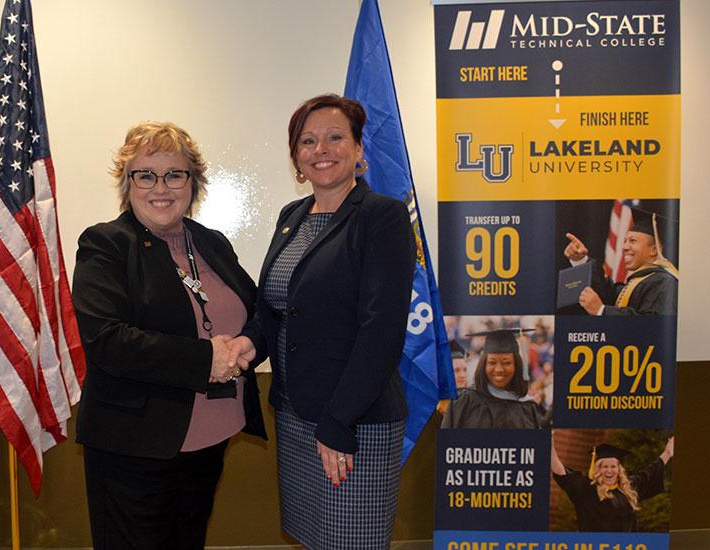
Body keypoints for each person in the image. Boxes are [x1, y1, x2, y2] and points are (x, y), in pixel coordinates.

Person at [229, 94, 415, 549]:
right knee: (313, 538)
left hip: (353, 420)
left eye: (335, 137)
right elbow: (276, 307)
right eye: (308, 141)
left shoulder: (382, 217)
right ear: (296, 157)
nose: (321, 149)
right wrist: (250, 343)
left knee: (353, 541)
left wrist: (338, 423)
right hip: (295, 414)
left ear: (358, 149)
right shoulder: (291, 217)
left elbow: (381, 329)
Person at [71, 122, 266, 549]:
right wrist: (205, 359)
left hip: (211, 439)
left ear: (192, 182)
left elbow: (259, 312)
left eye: (175, 173)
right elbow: (108, 340)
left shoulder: (211, 243)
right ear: (128, 183)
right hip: (134, 448)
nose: (162, 187)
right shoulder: (105, 245)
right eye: (146, 174)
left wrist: (250, 342)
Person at [564, 211, 679, 316]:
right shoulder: (640, 281)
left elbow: (650, 326)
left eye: (632, 241)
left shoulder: (665, 282)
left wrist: (602, 310)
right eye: (625, 241)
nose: (624, 247)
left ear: (654, 249)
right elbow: (607, 292)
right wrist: (581, 260)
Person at [551, 438, 674, 531]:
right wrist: (550, 448)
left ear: (619, 469)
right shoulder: (587, 489)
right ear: (598, 469)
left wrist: (667, 453)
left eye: (613, 466)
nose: (609, 470)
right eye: (605, 466)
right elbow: (562, 473)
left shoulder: (627, 488)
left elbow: (649, 473)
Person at [440, 328, 547, 429]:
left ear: (517, 365)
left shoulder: (527, 408)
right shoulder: (464, 402)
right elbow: (447, 444)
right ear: (483, 365)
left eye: (506, 362)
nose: (499, 369)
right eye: (492, 362)